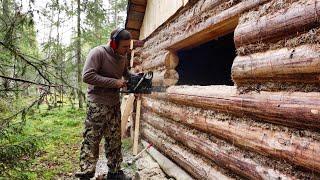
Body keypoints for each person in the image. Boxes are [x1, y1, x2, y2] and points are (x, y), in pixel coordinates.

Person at [75, 28, 132, 180]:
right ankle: (86, 174)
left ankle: (114, 172)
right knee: (92, 140)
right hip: (97, 105)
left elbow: (125, 72)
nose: (127, 49)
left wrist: (134, 78)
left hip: (114, 104)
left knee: (114, 140)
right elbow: (87, 76)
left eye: (129, 46)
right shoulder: (98, 53)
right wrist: (115, 83)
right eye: (125, 46)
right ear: (113, 44)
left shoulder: (123, 55)